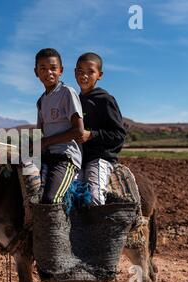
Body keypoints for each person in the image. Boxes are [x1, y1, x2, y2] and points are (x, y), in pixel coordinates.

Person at [74, 52, 127, 205]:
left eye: (90, 72)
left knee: (94, 197)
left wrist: (91, 135)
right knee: (69, 195)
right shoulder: (74, 101)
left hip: (99, 158)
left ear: (100, 75)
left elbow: (118, 135)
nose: (84, 76)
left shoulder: (105, 100)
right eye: (80, 71)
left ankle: (101, 228)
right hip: (78, 159)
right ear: (74, 72)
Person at [34, 48, 84, 204]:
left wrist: (47, 142)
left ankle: (61, 228)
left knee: (51, 199)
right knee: (27, 191)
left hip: (66, 157)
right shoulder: (41, 101)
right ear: (36, 72)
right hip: (48, 156)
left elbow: (78, 131)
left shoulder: (67, 92)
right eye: (43, 68)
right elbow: (40, 133)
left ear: (60, 71)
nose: (49, 72)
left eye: (53, 68)